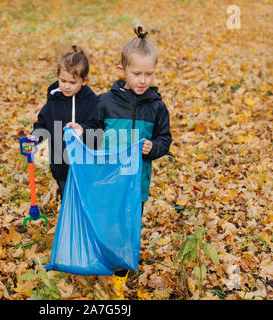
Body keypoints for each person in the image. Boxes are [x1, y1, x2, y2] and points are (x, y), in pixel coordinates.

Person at [66, 24, 172, 298]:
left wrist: (154, 148)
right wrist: (81, 132)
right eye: (136, 73)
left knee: (129, 223)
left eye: (149, 74)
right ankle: (100, 257)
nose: (143, 80)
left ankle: (120, 272)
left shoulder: (156, 107)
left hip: (136, 181)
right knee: (108, 219)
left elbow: (165, 139)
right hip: (108, 178)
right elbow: (94, 132)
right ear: (122, 70)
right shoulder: (105, 103)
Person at [28, 45, 97, 201]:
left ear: (84, 81)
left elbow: (96, 126)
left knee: (84, 200)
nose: (66, 86)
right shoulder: (54, 100)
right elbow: (42, 124)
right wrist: (35, 137)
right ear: (57, 76)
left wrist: (83, 129)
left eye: (72, 83)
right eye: (62, 81)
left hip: (84, 165)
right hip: (60, 164)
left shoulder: (91, 102)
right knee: (67, 199)